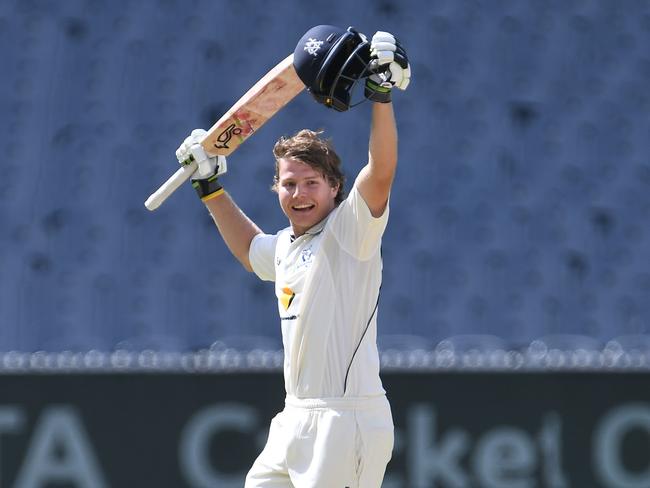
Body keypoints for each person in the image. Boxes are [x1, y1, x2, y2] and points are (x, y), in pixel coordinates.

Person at [175, 27, 410, 488]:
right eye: (288, 184)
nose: (299, 194)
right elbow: (249, 250)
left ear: (335, 188)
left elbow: (381, 172)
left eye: (310, 183)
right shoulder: (285, 246)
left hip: (345, 421)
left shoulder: (351, 231)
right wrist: (209, 187)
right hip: (294, 417)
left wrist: (380, 96)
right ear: (276, 189)